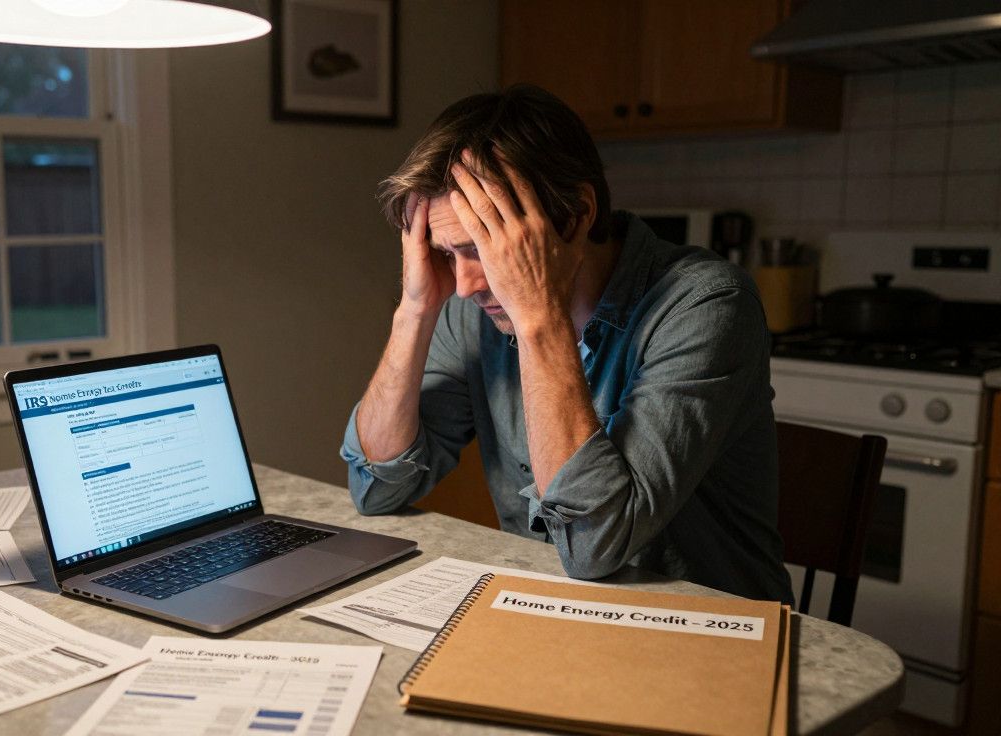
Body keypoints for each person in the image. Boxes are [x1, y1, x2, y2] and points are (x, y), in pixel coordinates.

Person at [339, 85, 793, 603]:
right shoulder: (473, 307)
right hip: (553, 609)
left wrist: (538, 315)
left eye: (482, 249)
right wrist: (414, 311)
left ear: (575, 215)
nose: (463, 285)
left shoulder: (707, 303)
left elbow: (595, 546)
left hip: (711, 630)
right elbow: (377, 489)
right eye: (445, 254)